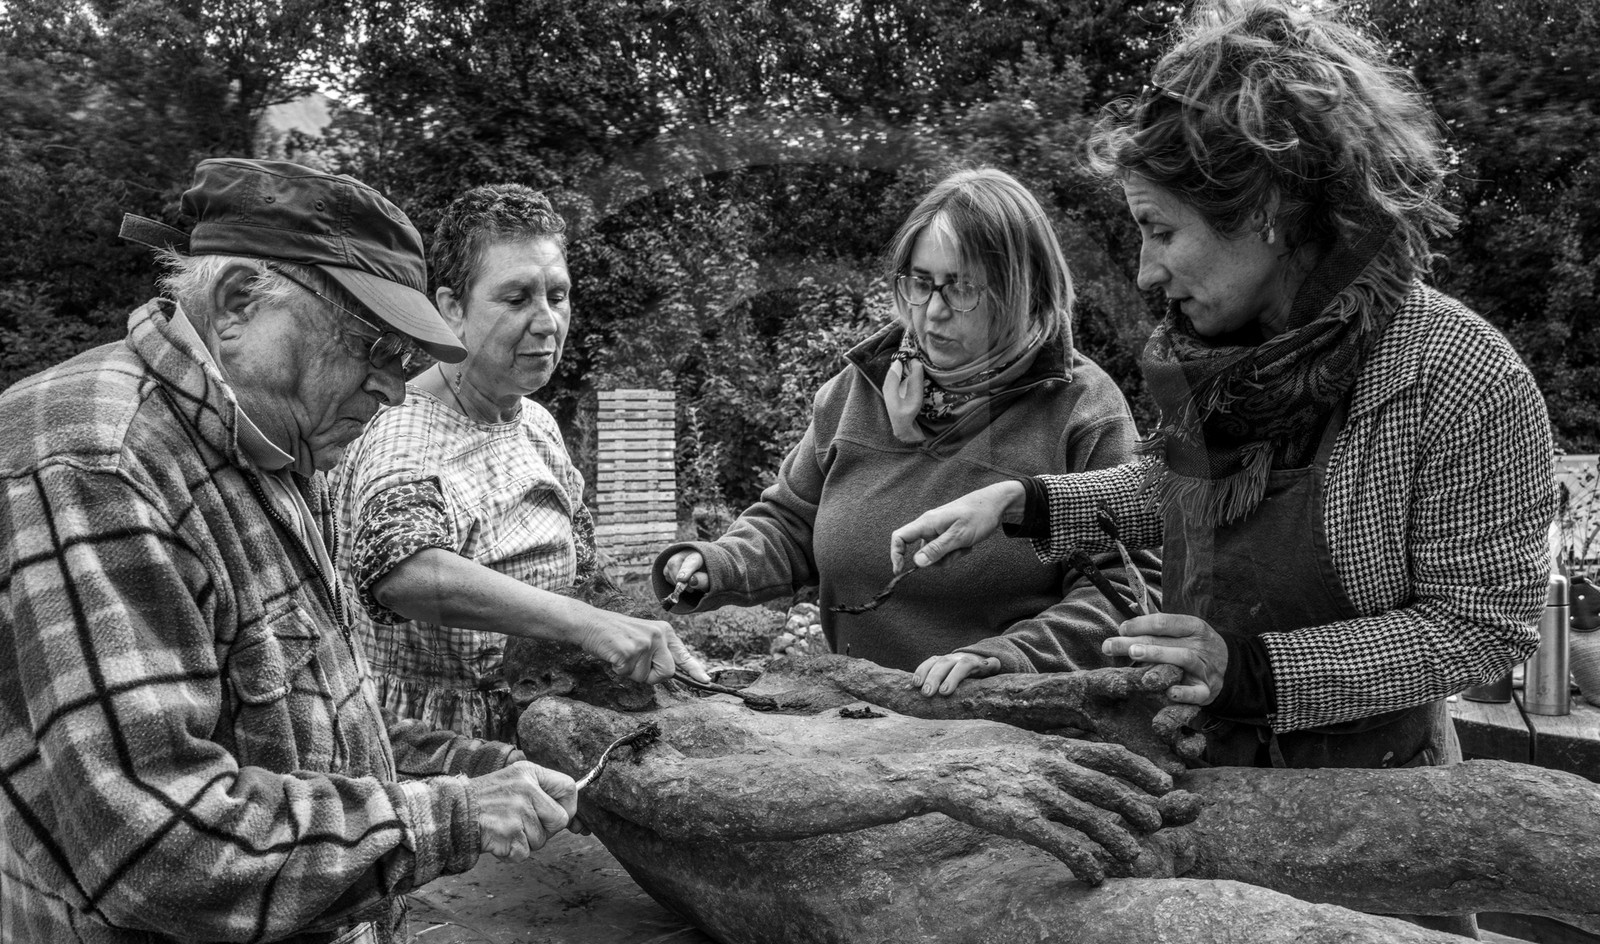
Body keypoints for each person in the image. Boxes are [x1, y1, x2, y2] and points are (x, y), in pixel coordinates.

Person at [0, 159, 589, 944]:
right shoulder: (94, 463)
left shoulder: (266, 444)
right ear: (240, 300)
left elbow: (302, 716)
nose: (396, 389)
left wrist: (479, 766)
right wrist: (452, 816)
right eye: (373, 349)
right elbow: (157, 840)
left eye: (408, 361)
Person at [893, 3, 1556, 780]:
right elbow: (1183, 490)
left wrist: (1249, 671)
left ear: (1265, 211)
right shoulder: (1220, 355)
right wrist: (1023, 503)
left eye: (1161, 230)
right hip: (1199, 773)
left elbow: (1482, 627)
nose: (1146, 272)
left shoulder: (1457, 375)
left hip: (1379, 802)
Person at [655, 167, 1158, 696]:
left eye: (962, 287)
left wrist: (1009, 657)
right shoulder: (860, 389)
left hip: (1015, 725)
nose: (933, 312)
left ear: (1024, 290)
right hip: (860, 712)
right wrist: (718, 562)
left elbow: (1126, 585)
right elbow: (792, 521)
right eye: (920, 283)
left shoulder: (1082, 409)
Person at [334, 184, 707, 743]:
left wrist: (639, 628)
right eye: (516, 299)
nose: (547, 322)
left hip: (539, 723)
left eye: (558, 296)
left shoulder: (535, 424)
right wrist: (587, 626)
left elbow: (583, 576)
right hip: (430, 748)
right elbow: (400, 572)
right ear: (452, 309)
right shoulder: (403, 430)